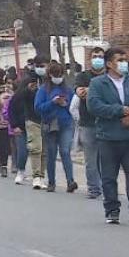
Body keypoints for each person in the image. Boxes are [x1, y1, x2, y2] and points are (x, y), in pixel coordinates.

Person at [86, 47, 129, 224]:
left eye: (125, 59)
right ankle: (112, 209)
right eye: (119, 60)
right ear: (109, 63)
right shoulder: (98, 83)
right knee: (109, 176)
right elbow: (93, 106)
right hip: (108, 137)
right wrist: (119, 111)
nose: (124, 63)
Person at [35, 62, 77, 192]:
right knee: (51, 153)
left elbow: (73, 106)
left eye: (60, 74)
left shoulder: (68, 89)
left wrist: (65, 103)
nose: (58, 77)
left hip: (66, 124)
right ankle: (51, 182)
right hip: (50, 124)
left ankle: (70, 181)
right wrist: (52, 103)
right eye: (56, 75)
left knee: (65, 151)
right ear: (50, 75)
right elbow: (38, 108)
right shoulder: (43, 90)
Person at [74, 47, 106, 198]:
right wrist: (97, 91)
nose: (97, 59)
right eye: (95, 56)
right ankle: (94, 188)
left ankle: (106, 187)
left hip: (106, 122)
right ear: (90, 59)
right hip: (87, 122)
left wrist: (91, 91)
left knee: (106, 159)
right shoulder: (83, 76)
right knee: (91, 159)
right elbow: (80, 93)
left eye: (100, 56)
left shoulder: (108, 76)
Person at [25, 55, 49, 189]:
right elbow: (19, 97)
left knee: (44, 150)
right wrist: (28, 90)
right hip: (32, 118)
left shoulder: (51, 80)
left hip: (46, 119)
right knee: (36, 148)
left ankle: (42, 176)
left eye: (43, 66)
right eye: (38, 66)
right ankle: (36, 176)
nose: (40, 69)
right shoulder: (29, 79)